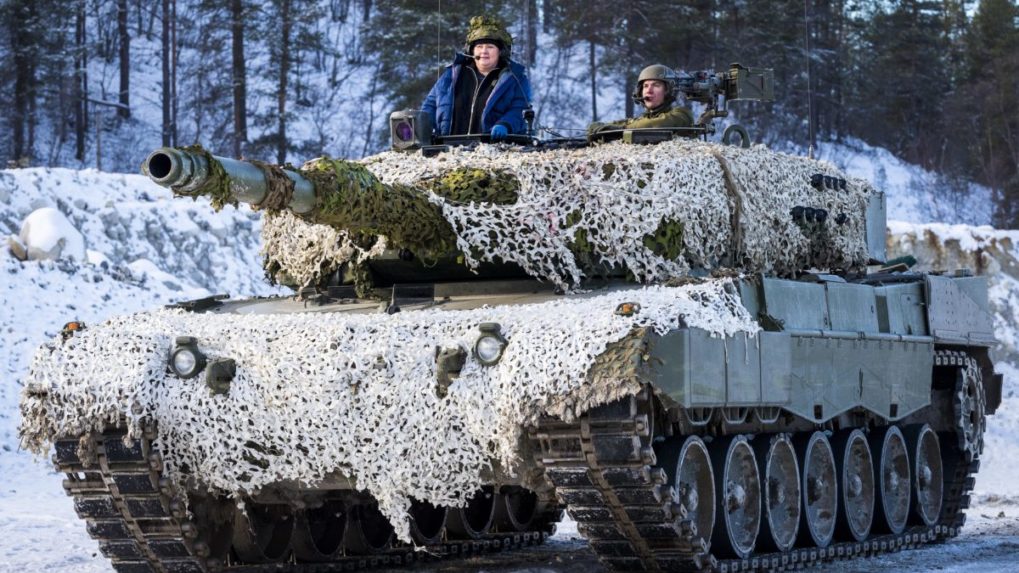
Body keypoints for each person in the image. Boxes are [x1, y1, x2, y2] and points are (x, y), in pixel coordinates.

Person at [422, 16, 533, 141]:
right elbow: (429, 106)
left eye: (490, 47)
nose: (484, 51)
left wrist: (505, 124)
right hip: (449, 150)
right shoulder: (452, 74)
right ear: (471, 50)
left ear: (500, 52)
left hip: (495, 151)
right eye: (479, 47)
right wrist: (422, 130)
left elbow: (520, 109)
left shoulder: (515, 78)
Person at [588, 64, 694, 139]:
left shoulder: (682, 115)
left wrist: (620, 130)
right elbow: (620, 124)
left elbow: (655, 125)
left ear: (667, 91)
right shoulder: (639, 121)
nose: (649, 90)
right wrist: (597, 128)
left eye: (656, 85)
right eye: (645, 86)